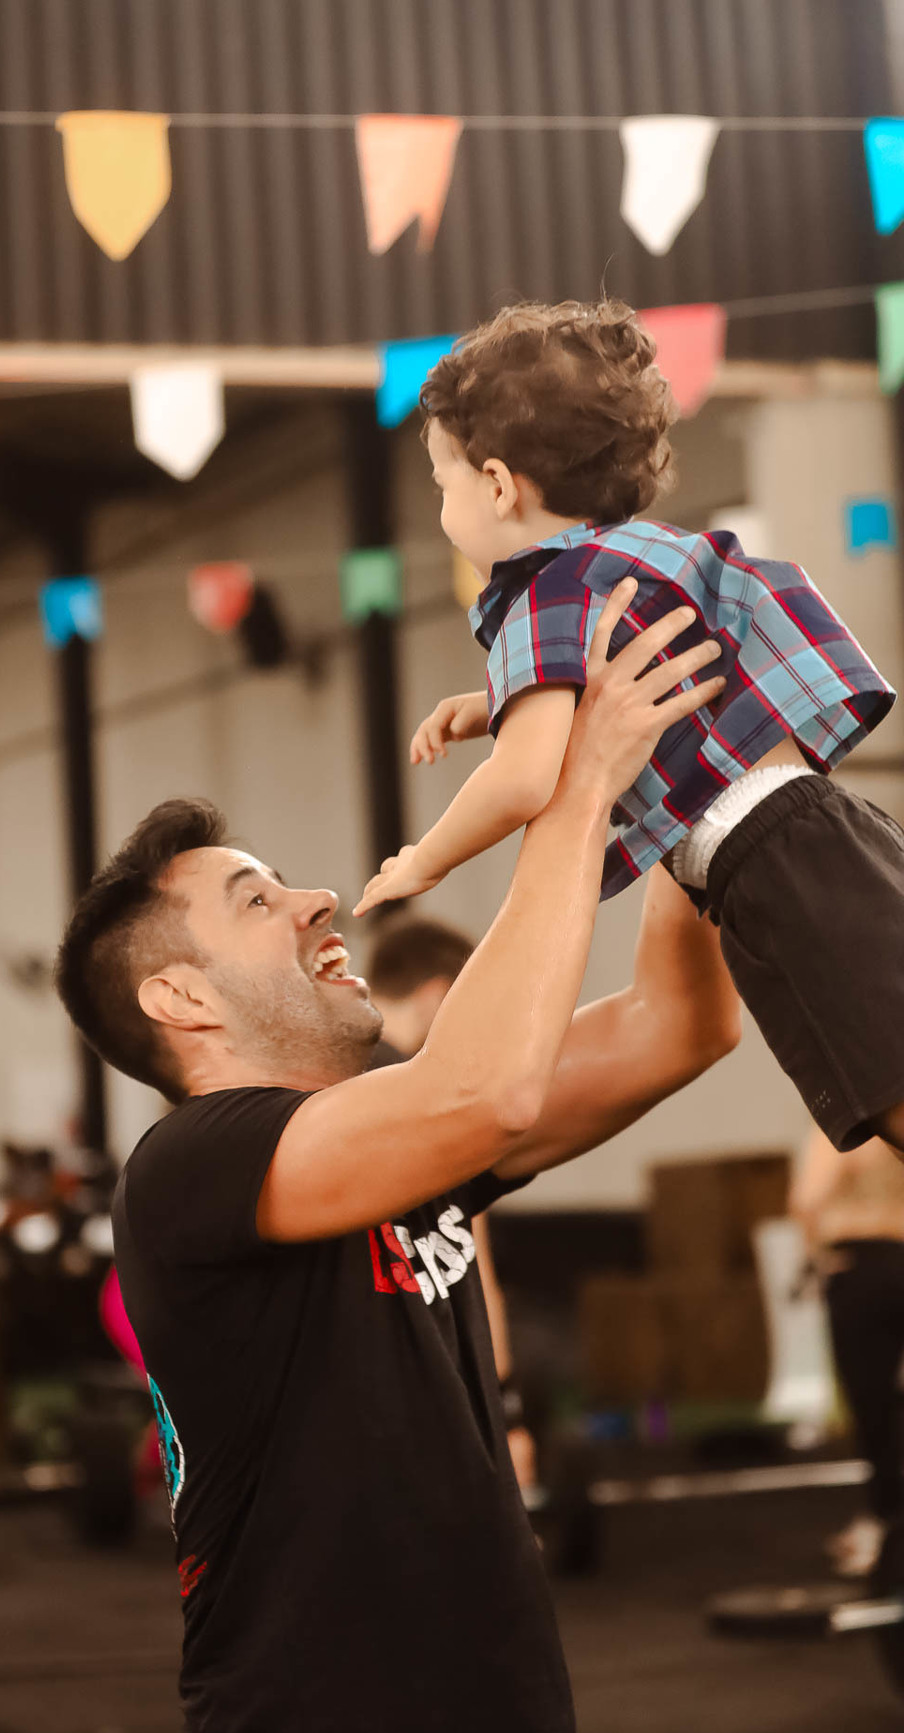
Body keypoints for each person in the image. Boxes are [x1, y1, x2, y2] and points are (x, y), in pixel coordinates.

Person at [53, 579, 738, 1733]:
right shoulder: (190, 1168)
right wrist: (580, 784)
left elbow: (677, 1025)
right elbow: (488, 1091)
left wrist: (687, 772)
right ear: (181, 998)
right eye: (257, 901)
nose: (318, 899)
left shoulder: (397, 1141)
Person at [352, 297, 903, 1160]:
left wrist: (427, 857)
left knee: (889, 1086)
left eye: (442, 484)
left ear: (496, 485)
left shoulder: (540, 595)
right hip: (818, 832)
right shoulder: (631, 556)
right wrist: (492, 706)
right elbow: (604, 684)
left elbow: (524, 780)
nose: (442, 509)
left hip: (772, 862)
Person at [366, 915, 536, 1491]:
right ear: (441, 997)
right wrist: (508, 1410)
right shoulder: (432, 1102)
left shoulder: (324, 1093)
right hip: (434, 1411)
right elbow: (475, 1267)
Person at [790, 1127, 904, 1577]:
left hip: (860, 1267)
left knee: (872, 1405)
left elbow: (807, 1198)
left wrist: (816, 1256)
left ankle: (884, 1523)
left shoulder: (842, 1125)